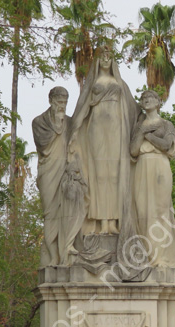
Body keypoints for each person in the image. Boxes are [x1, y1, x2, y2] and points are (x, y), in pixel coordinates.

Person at [67, 46, 140, 237]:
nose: (106, 60)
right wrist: (74, 131)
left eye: (109, 56)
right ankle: (101, 222)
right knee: (98, 175)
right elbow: (82, 109)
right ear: (98, 60)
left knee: (115, 174)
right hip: (96, 128)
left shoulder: (120, 84)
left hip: (117, 129)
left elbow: (134, 110)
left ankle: (114, 221)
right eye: (103, 56)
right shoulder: (92, 84)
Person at [129, 90, 175, 268]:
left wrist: (148, 135)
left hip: (160, 166)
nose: (146, 100)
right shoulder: (139, 125)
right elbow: (133, 150)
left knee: (160, 211)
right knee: (142, 212)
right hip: (142, 166)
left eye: (150, 98)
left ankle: (161, 258)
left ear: (159, 102)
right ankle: (146, 256)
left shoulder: (166, 124)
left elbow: (167, 145)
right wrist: (142, 132)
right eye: (144, 99)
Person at [32, 86, 71, 266]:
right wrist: (57, 124)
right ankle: (52, 254)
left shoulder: (70, 123)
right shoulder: (39, 121)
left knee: (66, 212)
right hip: (48, 171)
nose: (62, 106)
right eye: (59, 102)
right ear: (51, 101)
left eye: (64, 102)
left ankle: (64, 254)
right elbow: (43, 145)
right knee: (50, 213)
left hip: (66, 171)